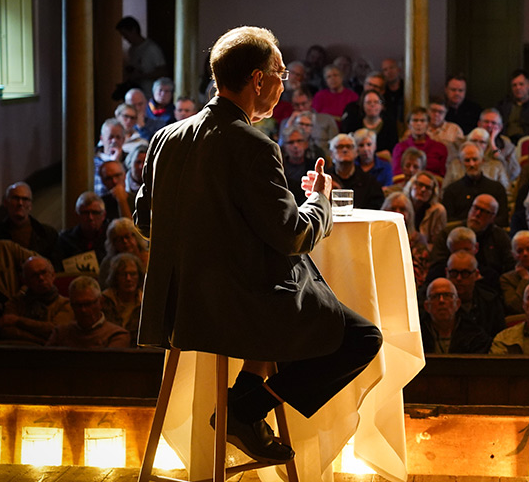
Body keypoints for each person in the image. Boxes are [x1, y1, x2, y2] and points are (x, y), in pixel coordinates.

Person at [135, 26, 382, 465]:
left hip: (178, 309)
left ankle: (248, 397)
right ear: (258, 80)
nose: (284, 83)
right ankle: (245, 410)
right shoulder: (254, 145)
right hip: (236, 311)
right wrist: (319, 200)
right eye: (280, 73)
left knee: (283, 308)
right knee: (364, 338)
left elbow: (144, 220)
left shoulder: (165, 138)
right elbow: (292, 236)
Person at [427, 197, 514, 286]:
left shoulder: (500, 237)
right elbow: (436, 267)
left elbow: (509, 267)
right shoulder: (448, 233)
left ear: (493, 217)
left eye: (484, 212)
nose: (477, 214)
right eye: (475, 208)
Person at [0, 255, 73, 345]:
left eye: (44, 272)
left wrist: (18, 321)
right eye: (34, 275)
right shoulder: (16, 302)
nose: (41, 278)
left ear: (53, 275)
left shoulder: (65, 304)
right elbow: (6, 330)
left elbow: (56, 330)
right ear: (26, 281)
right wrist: (40, 342)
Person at [47, 276, 131, 348]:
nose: (83, 310)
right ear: (72, 306)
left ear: (101, 302)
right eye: (78, 305)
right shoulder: (60, 333)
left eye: (88, 304)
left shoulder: (116, 335)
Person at [442, 143, 509, 227]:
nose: (472, 164)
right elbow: (448, 220)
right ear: (460, 163)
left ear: (482, 160)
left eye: (475, 159)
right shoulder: (451, 190)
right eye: (467, 160)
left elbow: (503, 219)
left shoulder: (497, 188)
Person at [419, 278, 491, 354]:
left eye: (447, 295)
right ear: (426, 306)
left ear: (457, 304)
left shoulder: (475, 336)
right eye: (435, 296)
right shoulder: (416, 336)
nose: (441, 301)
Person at [445, 250, 505, 339]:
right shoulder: (437, 301)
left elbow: (498, 336)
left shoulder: (490, 302)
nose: (459, 278)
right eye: (454, 273)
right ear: (446, 273)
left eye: (465, 273)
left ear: (476, 275)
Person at [382, 192, 430, 290]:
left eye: (403, 209)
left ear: (410, 214)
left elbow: (419, 276)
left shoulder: (418, 240)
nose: (397, 213)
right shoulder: (374, 237)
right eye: (393, 208)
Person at [0, 182, 58, 258]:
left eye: (25, 199)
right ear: (6, 202)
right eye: (15, 198)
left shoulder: (48, 234)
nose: (20, 203)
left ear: (30, 205)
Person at [52, 192, 108, 271]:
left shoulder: (111, 237)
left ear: (103, 215)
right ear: (77, 215)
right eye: (85, 213)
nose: (90, 217)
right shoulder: (65, 240)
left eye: (95, 213)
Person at [116, 16, 168, 99]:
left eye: (126, 35)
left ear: (133, 30)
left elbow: (163, 71)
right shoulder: (132, 50)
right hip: (138, 94)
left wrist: (141, 76)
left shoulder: (151, 48)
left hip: (151, 95)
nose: (125, 38)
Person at [329, 133, 385, 210]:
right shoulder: (324, 180)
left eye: (349, 147)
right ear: (331, 154)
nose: (345, 150)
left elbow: (377, 207)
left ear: (356, 152)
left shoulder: (370, 182)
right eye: (340, 147)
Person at [100, 252, 144, 345]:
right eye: (123, 274)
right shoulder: (104, 300)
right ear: (115, 277)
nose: (128, 278)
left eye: (133, 274)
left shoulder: (145, 302)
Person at [445, 127, 511, 189]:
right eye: (474, 141)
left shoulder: (497, 166)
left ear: (487, 146)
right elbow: (445, 190)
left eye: (482, 142)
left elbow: (506, 191)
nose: (477, 144)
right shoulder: (455, 164)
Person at [393, 107, 449, 177]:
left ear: (428, 125)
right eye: (415, 120)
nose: (419, 124)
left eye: (422, 121)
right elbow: (397, 174)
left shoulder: (440, 148)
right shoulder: (400, 147)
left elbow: (443, 174)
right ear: (408, 124)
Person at [497, 70, 529, 142]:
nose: (518, 88)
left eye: (521, 84)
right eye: (514, 85)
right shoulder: (503, 105)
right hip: (505, 143)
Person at [404, 171, 448, 249]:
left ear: (433, 193)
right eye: (420, 185)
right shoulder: (400, 204)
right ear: (411, 185)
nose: (423, 190)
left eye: (428, 188)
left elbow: (437, 244)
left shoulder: (438, 211)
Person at [477, 108, 521, 183]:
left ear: (500, 128)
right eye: (486, 122)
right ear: (479, 124)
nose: (489, 125)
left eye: (493, 123)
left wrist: (493, 144)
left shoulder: (508, 147)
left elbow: (514, 172)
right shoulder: (470, 141)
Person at [279, 124, 316, 204]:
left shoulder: (314, 166)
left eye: (299, 141)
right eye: (290, 142)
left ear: (306, 144)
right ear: (284, 147)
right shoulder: (279, 167)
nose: (295, 146)